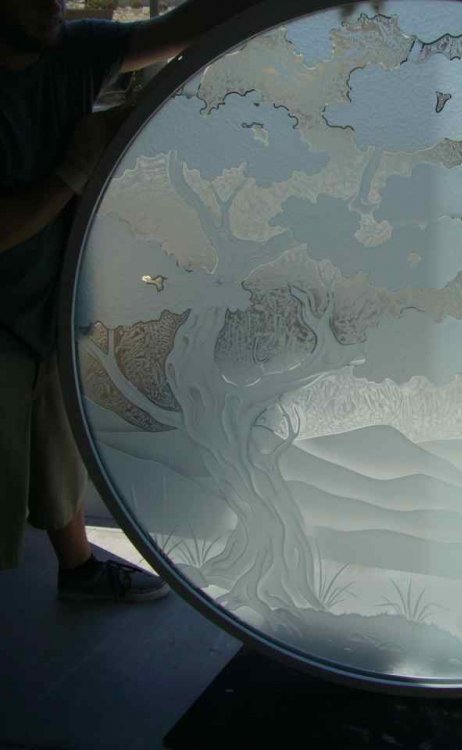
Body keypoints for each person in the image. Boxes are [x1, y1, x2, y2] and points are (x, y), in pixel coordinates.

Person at [0, 0, 272, 601]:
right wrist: (74, 171)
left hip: (47, 304)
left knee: (55, 447)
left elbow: (175, 30)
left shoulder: (70, 51)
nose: (53, 4)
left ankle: (79, 571)